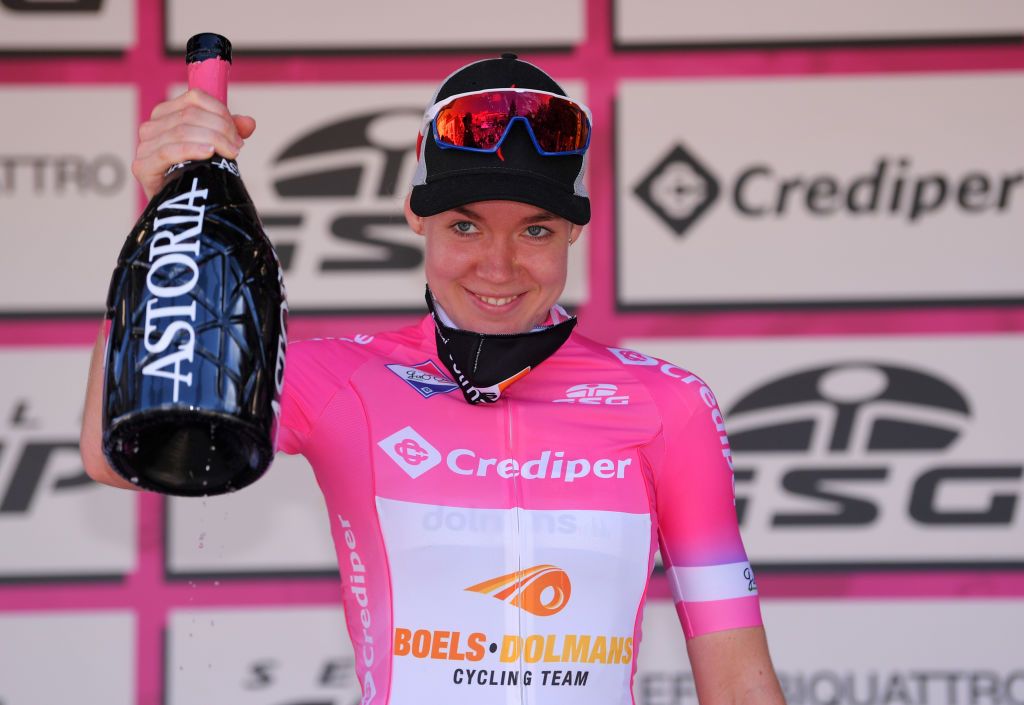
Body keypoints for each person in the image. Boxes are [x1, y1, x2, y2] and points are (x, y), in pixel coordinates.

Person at [81, 53, 785, 705]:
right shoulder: (343, 379)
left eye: (536, 230)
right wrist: (170, 214)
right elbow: (114, 453)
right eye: (466, 226)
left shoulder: (666, 402)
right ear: (416, 216)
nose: (499, 266)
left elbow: (740, 684)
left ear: (575, 231)